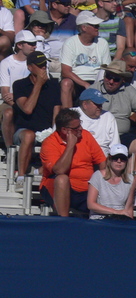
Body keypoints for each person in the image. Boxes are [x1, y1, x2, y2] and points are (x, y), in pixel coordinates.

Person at [40, 108, 107, 217]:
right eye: (76, 128)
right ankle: (64, 221)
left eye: (80, 124)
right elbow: (59, 170)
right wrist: (71, 145)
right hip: (60, 187)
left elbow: (102, 161)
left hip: (86, 188)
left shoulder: (86, 136)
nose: (81, 129)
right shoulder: (50, 143)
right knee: (62, 179)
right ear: (65, 130)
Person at [12, 50, 61, 187]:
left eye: (45, 64)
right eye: (40, 65)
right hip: (24, 130)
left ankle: (41, 171)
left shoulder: (54, 85)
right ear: (30, 67)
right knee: (29, 135)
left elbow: (56, 111)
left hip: (46, 130)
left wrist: (54, 131)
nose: (44, 68)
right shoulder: (20, 85)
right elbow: (27, 109)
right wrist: (38, 84)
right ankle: (21, 176)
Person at [60, 11, 111, 110]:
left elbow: (106, 68)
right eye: (95, 25)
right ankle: (68, 117)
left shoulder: (102, 43)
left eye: (98, 25)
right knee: (66, 83)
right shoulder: (70, 43)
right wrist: (84, 84)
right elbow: (65, 71)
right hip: (76, 81)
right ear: (84, 27)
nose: (98, 27)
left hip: (97, 81)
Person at [0, 30, 37, 150]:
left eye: (34, 43)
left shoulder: (37, 61)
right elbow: (5, 93)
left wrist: (16, 97)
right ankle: (10, 150)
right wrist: (19, 104)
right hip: (11, 103)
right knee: (8, 113)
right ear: (19, 45)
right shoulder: (6, 63)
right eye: (30, 44)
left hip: (30, 100)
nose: (34, 46)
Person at [86, 142, 136, 219]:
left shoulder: (131, 180)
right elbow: (91, 204)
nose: (119, 161)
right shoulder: (97, 176)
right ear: (109, 159)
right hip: (100, 218)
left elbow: (129, 207)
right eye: (115, 158)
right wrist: (115, 212)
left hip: (120, 219)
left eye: (122, 159)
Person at [76, 87, 120, 157]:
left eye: (101, 104)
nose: (100, 107)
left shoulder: (108, 117)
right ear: (85, 105)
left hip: (102, 160)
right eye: (97, 104)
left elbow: (115, 146)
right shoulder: (71, 115)